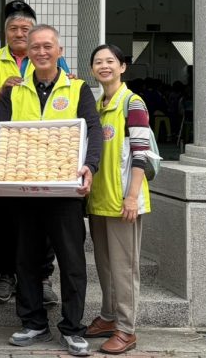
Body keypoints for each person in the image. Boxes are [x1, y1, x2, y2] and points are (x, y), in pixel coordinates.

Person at [0, 24, 102, 357]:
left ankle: (72, 327)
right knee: (26, 260)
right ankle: (33, 322)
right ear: (28, 53)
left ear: (59, 51)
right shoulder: (15, 91)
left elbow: (92, 130)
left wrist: (90, 166)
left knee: (72, 261)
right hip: (25, 190)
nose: (41, 52)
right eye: (35, 47)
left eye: (48, 46)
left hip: (65, 192)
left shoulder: (77, 89)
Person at [0, 0, 58, 306]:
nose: (20, 33)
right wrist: (1, 91)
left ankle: (43, 276)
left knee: (43, 216)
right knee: (2, 216)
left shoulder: (49, 57)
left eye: (26, 28)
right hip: (4, 149)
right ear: (5, 32)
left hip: (42, 150)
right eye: (14, 28)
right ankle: (5, 275)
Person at [85, 45, 151, 355]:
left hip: (125, 200)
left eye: (110, 61)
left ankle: (126, 329)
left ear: (122, 67)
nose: (104, 66)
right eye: (98, 62)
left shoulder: (131, 102)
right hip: (100, 199)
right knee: (105, 266)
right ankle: (109, 316)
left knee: (124, 269)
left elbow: (141, 153)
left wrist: (132, 196)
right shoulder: (98, 105)